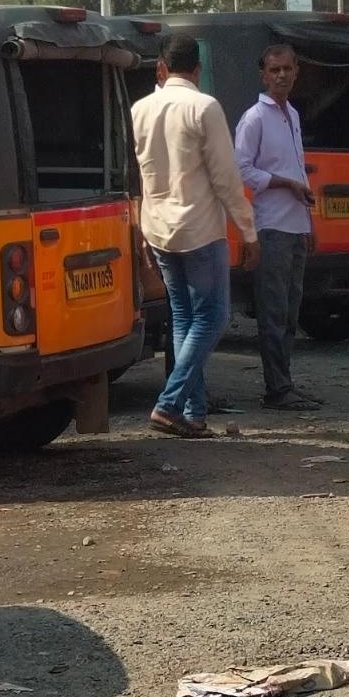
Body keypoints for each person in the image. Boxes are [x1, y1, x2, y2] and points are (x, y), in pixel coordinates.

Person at [130, 33, 258, 439]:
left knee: (185, 317)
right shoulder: (204, 107)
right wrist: (248, 231)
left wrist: (139, 227)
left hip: (159, 228)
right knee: (214, 316)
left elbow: (141, 175)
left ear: (161, 69)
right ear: (198, 68)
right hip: (200, 229)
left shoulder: (141, 109)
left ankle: (193, 411)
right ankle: (169, 404)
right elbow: (225, 178)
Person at [234, 43, 320, 411]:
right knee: (272, 312)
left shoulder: (292, 115)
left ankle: (285, 384)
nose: (281, 75)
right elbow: (242, 170)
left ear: (296, 71)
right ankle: (276, 389)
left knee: (290, 313)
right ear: (263, 75)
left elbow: (299, 170)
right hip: (270, 227)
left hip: (295, 225)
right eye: (275, 70)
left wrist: (308, 223)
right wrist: (285, 184)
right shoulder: (254, 117)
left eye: (287, 69)